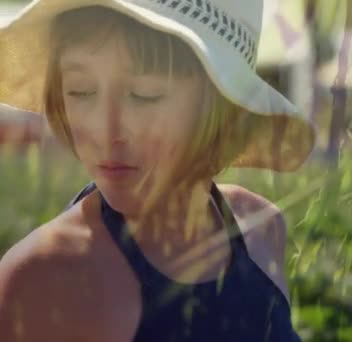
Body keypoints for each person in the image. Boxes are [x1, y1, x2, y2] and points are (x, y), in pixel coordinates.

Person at [0, 0, 315, 341]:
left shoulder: (262, 229)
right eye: (81, 91)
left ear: (223, 103)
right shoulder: (44, 281)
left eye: (145, 94)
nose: (107, 130)